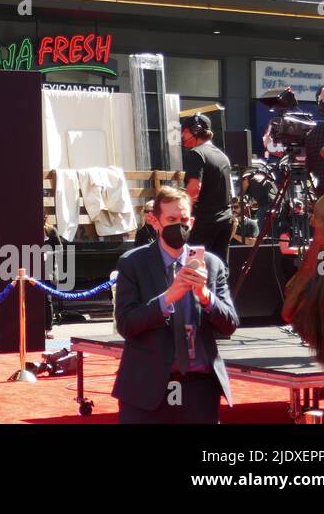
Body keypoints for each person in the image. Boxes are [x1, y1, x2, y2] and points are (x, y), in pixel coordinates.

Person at [112, 186, 238, 423]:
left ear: (191, 221)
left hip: (199, 389)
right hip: (146, 388)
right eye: (171, 219)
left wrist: (205, 295)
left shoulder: (211, 265)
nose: (178, 226)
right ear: (155, 221)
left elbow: (230, 324)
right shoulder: (133, 263)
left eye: (183, 220)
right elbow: (127, 325)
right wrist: (167, 298)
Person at [181, 114, 234, 264]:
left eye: (184, 131)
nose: (182, 136)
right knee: (219, 267)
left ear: (195, 131)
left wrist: (184, 216)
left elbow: (193, 189)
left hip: (204, 222)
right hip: (225, 221)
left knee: (193, 266)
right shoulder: (223, 156)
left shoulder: (196, 153)